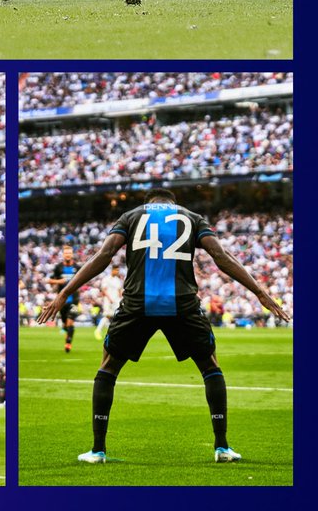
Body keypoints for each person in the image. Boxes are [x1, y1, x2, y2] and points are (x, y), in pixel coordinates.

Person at [38, 189, 290, 465]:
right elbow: (221, 256)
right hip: (181, 304)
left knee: (108, 366)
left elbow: (105, 253)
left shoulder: (132, 216)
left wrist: (64, 292)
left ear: (149, 202)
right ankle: (222, 447)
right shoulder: (192, 217)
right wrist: (259, 292)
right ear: (172, 202)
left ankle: (98, 450)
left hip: (137, 304)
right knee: (210, 366)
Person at [49, 245, 80, 353]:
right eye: (66, 253)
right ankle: (66, 329)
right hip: (62, 301)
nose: (68, 255)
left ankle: (68, 343)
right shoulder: (58, 268)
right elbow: (50, 280)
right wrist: (59, 281)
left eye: (69, 253)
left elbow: (84, 279)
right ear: (63, 255)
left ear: (72, 254)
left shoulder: (77, 267)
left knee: (70, 322)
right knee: (65, 324)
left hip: (74, 300)